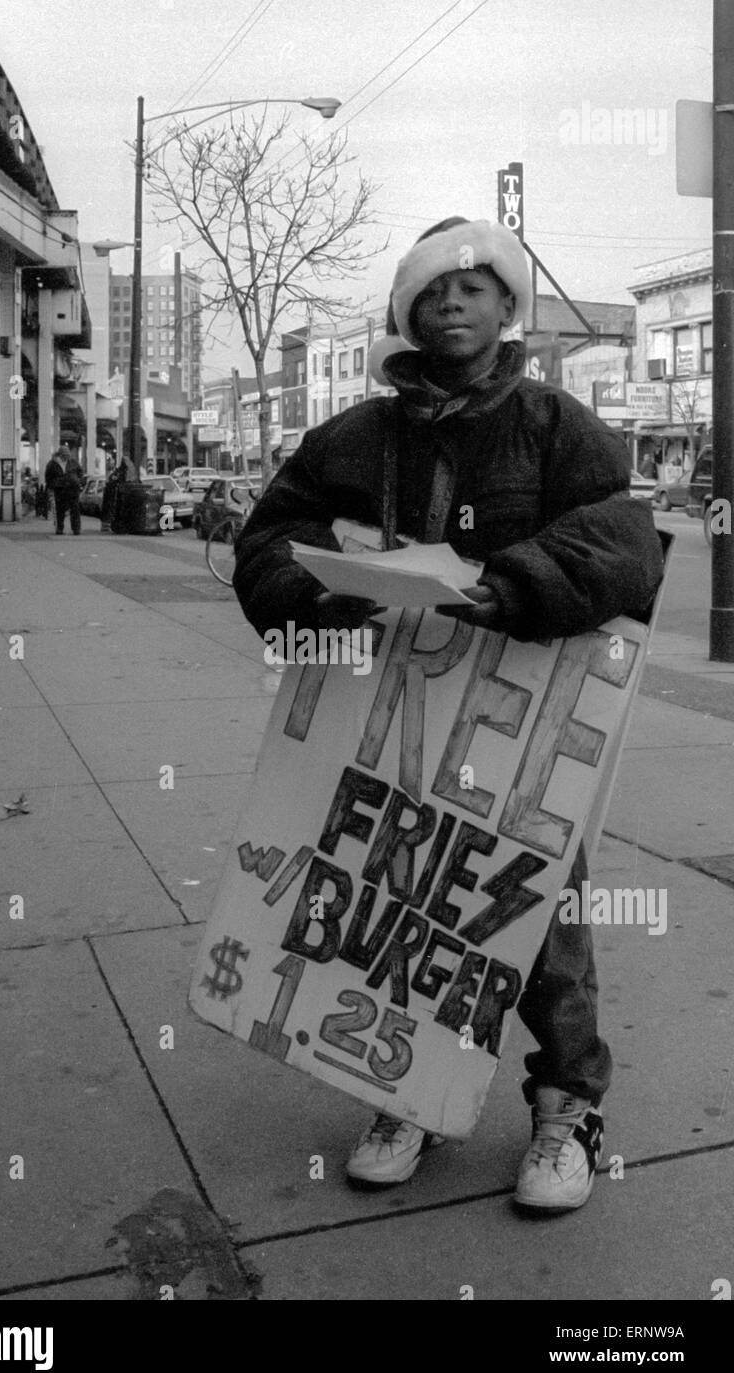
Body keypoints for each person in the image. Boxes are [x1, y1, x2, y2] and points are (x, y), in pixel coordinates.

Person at [233, 215, 664, 1212]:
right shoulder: (349, 437)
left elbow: (621, 544)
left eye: (472, 287)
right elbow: (270, 538)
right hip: (387, 723)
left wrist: (508, 585)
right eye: (432, 292)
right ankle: (406, 1091)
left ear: (508, 307)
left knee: (541, 912)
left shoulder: (559, 428)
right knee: (393, 911)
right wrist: (322, 588)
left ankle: (566, 1109)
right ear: (407, 314)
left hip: (516, 734)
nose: (452, 304)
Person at [101, 456, 129, 532]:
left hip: (113, 494)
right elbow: (113, 481)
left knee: (110, 509)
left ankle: (107, 525)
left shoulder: (117, 472)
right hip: (112, 494)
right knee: (110, 509)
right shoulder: (117, 473)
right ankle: (106, 526)